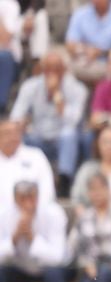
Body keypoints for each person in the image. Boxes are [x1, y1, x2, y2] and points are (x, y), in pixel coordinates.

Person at [10, 55, 85, 198]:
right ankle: (20, 181)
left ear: (64, 70)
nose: (52, 73)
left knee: (69, 134)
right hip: (38, 137)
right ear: (42, 70)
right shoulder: (30, 86)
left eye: (56, 69)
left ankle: (64, 182)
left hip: (62, 140)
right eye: (48, 69)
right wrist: (22, 123)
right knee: (15, 135)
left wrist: (57, 95)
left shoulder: (77, 88)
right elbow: (16, 116)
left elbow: (73, 121)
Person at [0, 180, 71, 282]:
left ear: (37, 197)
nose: (28, 204)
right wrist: (14, 239)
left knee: (53, 273)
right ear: (15, 200)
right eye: (22, 199)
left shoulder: (54, 213)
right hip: (19, 268)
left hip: (50, 269)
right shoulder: (4, 215)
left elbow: (58, 258)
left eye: (31, 198)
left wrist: (32, 238)